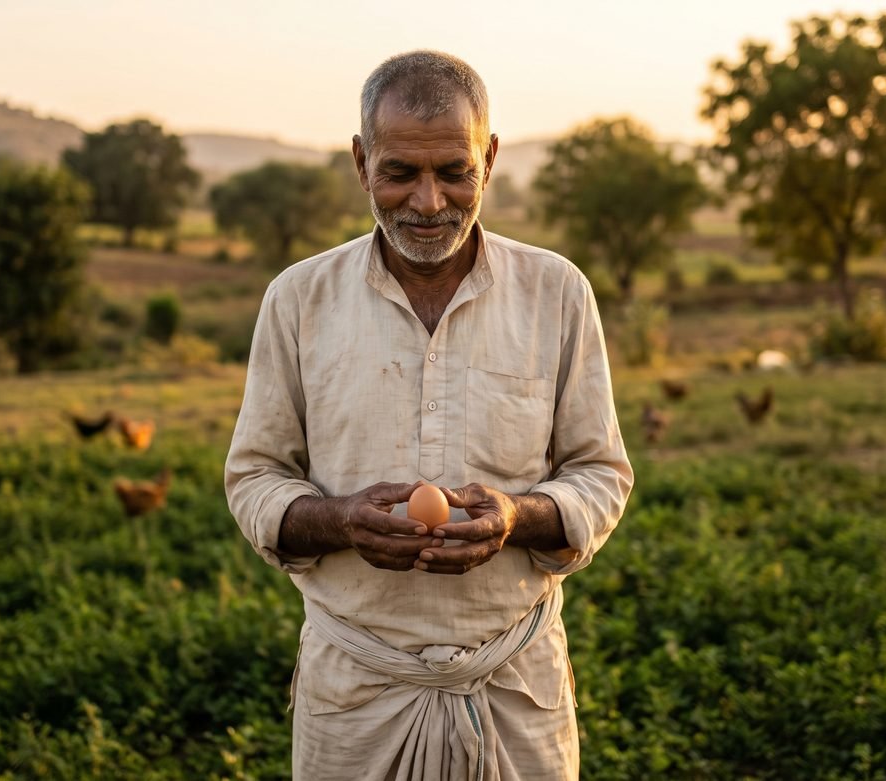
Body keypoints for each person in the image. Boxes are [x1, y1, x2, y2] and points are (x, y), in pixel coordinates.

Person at [224, 49, 634, 780]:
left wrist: (516, 515)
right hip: (354, 694)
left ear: (491, 157)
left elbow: (599, 473)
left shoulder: (557, 292)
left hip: (515, 685)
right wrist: (342, 519)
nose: (428, 202)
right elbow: (254, 479)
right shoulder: (299, 299)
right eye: (400, 173)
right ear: (360, 162)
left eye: (453, 172)